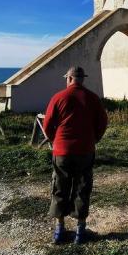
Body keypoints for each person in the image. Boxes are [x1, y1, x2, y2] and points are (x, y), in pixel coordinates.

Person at [43, 66, 108, 244]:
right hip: (85, 150)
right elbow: (103, 122)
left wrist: (53, 140)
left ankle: (59, 231)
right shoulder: (93, 98)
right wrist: (95, 139)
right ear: (82, 79)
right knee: (82, 187)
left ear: (69, 78)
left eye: (67, 78)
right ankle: (80, 231)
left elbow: (47, 124)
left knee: (59, 187)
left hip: (61, 151)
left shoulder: (58, 97)